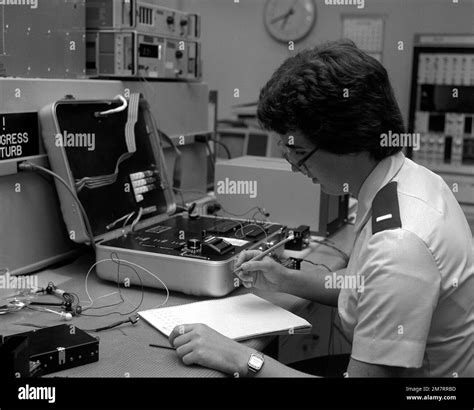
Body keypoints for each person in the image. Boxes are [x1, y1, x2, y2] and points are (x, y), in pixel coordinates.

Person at [168, 40, 474, 377]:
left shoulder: (401, 244)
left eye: (298, 154)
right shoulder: (408, 179)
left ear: (349, 140)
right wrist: (284, 278)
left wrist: (238, 357)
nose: (296, 168)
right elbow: (368, 283)